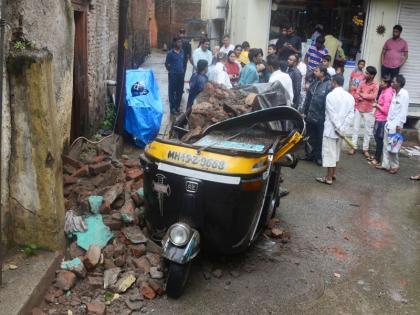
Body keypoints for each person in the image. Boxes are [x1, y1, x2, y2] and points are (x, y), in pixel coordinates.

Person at [316, 74, 354, 185]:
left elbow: (332, 115)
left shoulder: (330, 96)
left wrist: (338, 128)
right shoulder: (349, 96)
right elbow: (351, 114)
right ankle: (333, 174)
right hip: (341, 131)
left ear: (333, 82)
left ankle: (328, 177)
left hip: (331, 130)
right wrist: (343, 128)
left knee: (330, 154)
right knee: (336, 153)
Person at [377, 75, 409, 174]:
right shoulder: (395, 93)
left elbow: (404, 110)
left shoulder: (404, 94)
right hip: (389, 123)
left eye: (394, 82)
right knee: (386, 144)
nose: (392, 83)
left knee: (393, 146)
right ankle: (385, 165)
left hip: (396, 125)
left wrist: (400, 125)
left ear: (399, 83)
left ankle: (395, 165)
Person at [301, 65, 332, 166]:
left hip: (321, 117)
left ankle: (319, 157)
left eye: (316, 71)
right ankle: (309, 155)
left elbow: (329, 103)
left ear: (322, 73)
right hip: (310, 115)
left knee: (320, 138)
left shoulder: (329, 85)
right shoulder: (314, 83)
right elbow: (307, 99)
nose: (314, 72)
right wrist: (303, 111)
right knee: (310, 137)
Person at [349, 66, 379, 158]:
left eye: (367, 73)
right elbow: (356, 94)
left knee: (367, 130)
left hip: (368, 110)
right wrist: (364, 96)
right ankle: (353, 146)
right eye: (365, 73)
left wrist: (362, 95)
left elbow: (373, 96)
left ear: (372, 75)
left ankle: (365, 149)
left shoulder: (375, 84)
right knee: (355, 128)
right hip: (359, 108)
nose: (365, 74)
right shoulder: (362, 82)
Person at [369, 76, 393, 166]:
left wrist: (377, 105)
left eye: (382, 82)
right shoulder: (383, 90)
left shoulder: (388, 94)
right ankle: (376, 156)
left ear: (386, 84)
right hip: (378, 117)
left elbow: (386, 110)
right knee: (377, 138)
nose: (380, 83)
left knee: (379, 139)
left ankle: (377, 159)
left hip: (382, 120)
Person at [165, 37, 185, 115]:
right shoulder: (170, 53)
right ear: (175, 43)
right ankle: (172, 108)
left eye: (181, 42)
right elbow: (166, 64)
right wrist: (171, 71)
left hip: (181, 75)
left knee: (179, 92)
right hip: (173, 76)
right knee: (172, 92)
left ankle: (177, 107)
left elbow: (182, 62)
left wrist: (182, 70)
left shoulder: (182, 51)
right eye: (178, 42)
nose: (180, 43)